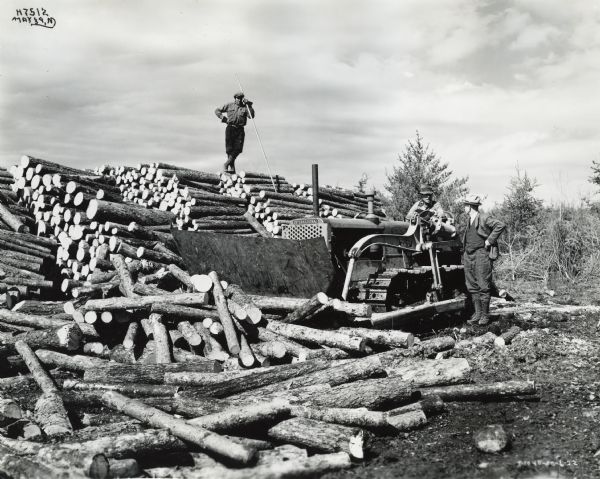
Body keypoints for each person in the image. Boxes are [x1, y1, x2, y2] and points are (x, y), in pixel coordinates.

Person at [462, 194, 506, 325]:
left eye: (465, 205)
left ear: (470, 207)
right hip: (469, 255)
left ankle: (485, 316)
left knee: (483, 285)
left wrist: (489, 240)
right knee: (472, 285)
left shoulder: (484, 217)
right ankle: (478, 314)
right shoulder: (469, 220)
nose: (464, 208)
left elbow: (500, 225)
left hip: (482, 254)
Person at [215, 92, 255, 173]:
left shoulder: (245, 107)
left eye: (241, 98)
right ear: (235, 98)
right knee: (229, 149)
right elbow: (217, 110)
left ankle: (226, 164)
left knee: (238, 149)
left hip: (240, 129)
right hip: (230, 128)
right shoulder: (229, 105)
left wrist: (249, 105)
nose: (239, 100)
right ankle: (232, 168)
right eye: (238, 98)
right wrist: (223, 118)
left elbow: (251, 116)